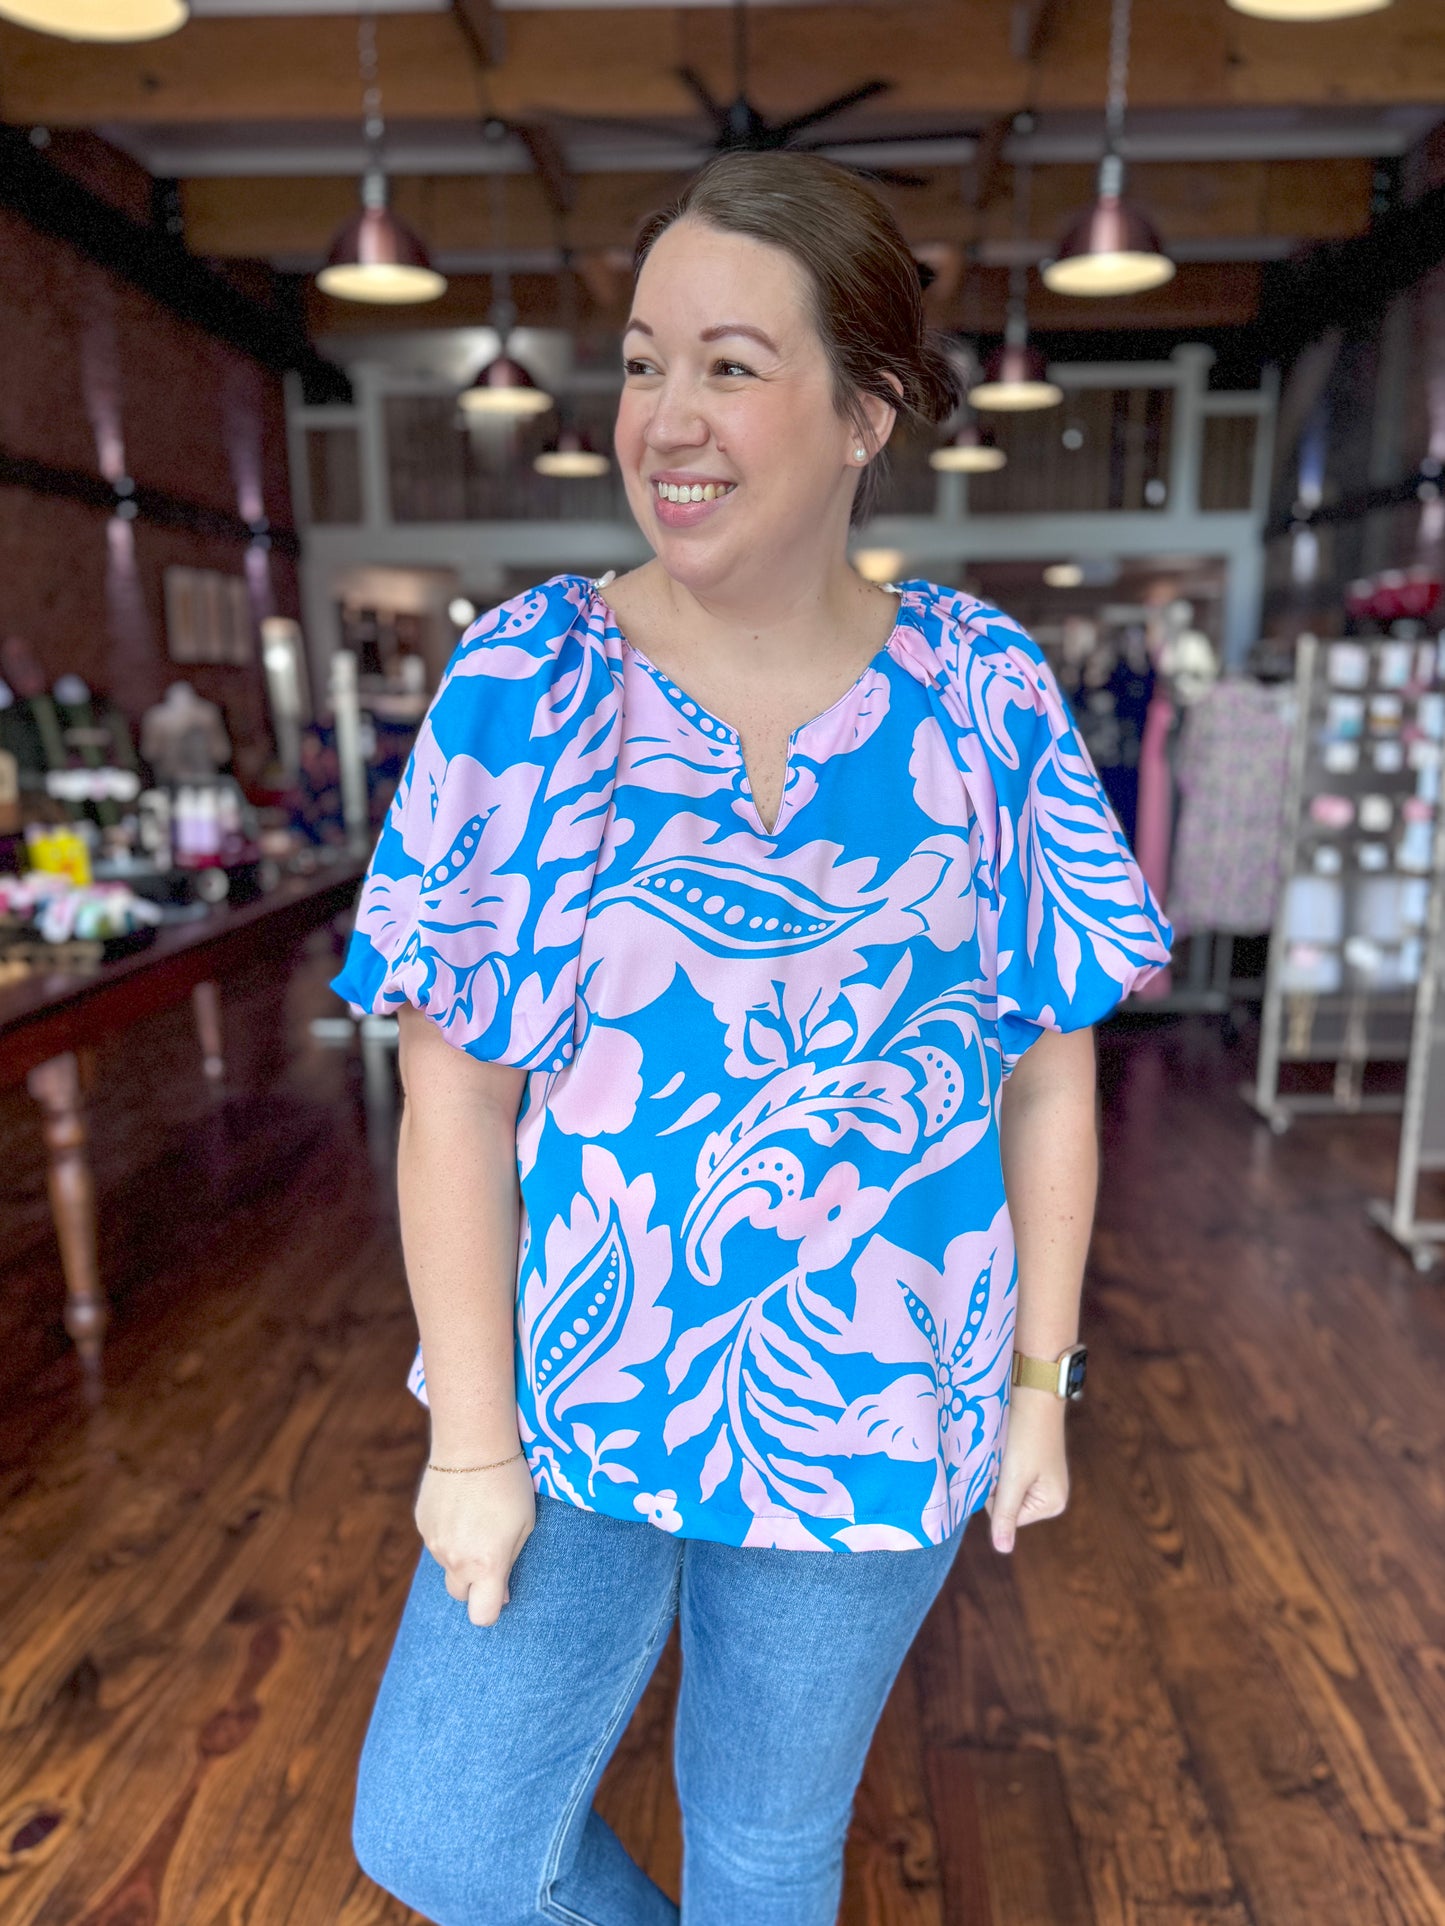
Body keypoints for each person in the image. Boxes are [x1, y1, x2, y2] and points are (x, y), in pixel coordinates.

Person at [331, 151, 1172, 1926]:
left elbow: (1049, 1066)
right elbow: (449, 1096)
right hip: (569, 1395)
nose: (665, 417)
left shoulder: (987, 691)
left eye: (728, 363)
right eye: (642, 362)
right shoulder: (526, 681)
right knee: (446, 1831)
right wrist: (468, 1446)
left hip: (875, 1389)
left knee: (770, 1848)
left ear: (867, 409)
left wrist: (1039, 1381)